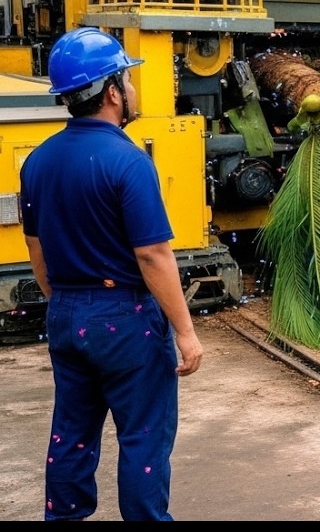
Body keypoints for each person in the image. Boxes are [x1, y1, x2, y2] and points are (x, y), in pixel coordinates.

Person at [19, 27, 204, 521]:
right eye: (128, 78)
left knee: (72, 434)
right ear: (111, 91)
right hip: (124, 319)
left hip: (67, 313)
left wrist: (63, 301)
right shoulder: (127, 160)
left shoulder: (37, 161)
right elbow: (153, 256)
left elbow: (34, 246)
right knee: (143, 437)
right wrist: (186, 333)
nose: (133, 89)